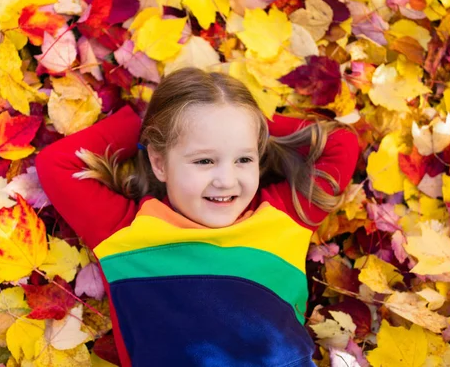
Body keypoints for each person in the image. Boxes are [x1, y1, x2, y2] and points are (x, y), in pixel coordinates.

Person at [35, 67, 359, 367]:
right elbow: (57, 163)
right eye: (204, 161)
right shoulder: (126, 233)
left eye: (243, 159)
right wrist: (153, 119)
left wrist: (243, 117)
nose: (227, 180)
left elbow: (340, 142)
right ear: (160, 163)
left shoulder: (282, 216)